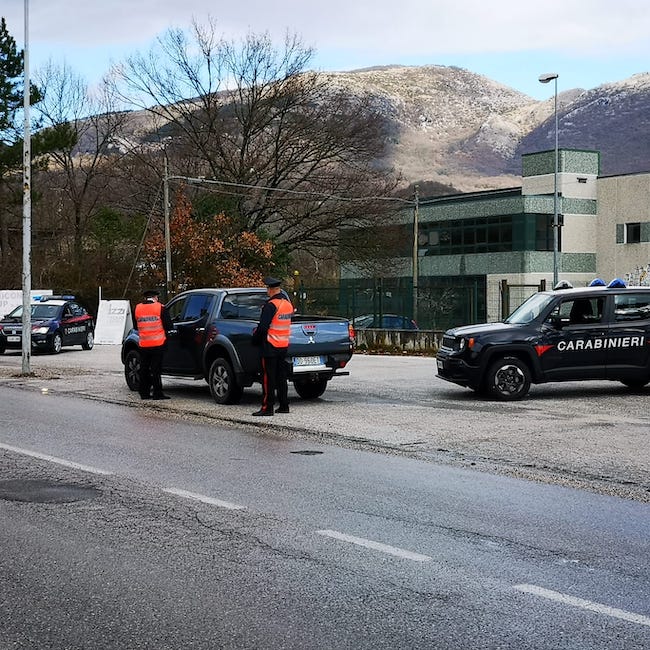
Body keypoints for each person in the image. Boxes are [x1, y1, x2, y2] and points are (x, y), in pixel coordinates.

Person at [251, 276, 293, 416]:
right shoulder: (287, 304)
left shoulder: (271, 305)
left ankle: (267, 408)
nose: (267, 291)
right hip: (283, 345)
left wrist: (255, 339)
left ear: (271, 289)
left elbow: (263, 328)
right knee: (281, 377)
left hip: (270, 346)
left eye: (267, 289)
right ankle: (284, 405)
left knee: (268, 378)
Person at [134, 289, 173, 400]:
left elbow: (136, 326)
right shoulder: (160, 308)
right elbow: (169, 325)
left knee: (144, 368)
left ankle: (144, 393)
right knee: (156, 369)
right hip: (158, 343)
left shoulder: (138, 308)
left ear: (145, 298)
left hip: (143, 343)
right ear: (155, 297)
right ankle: (157, 393)